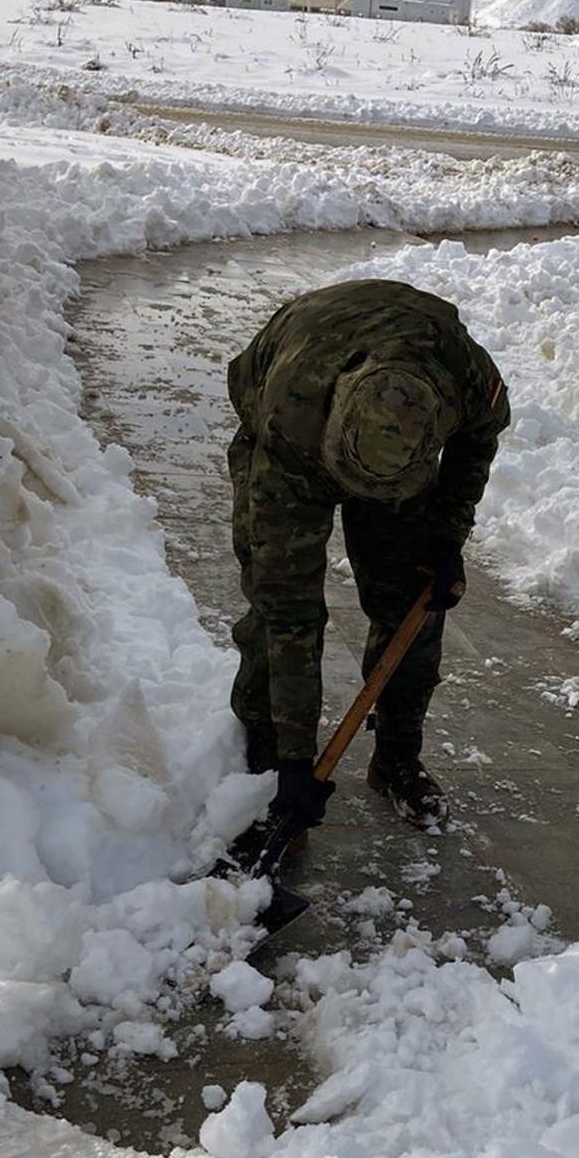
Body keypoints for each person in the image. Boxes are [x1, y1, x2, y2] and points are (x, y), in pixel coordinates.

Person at [227, 278, 509, 832]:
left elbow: (480, 439)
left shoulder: (463, 379)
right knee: (273, 608)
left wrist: (446, 536)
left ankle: (397, 760)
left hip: (397, 422)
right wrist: (295, 761)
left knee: (412, 602)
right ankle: (266, 760)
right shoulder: (291, 417)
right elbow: (291, 611)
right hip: (293, 426)